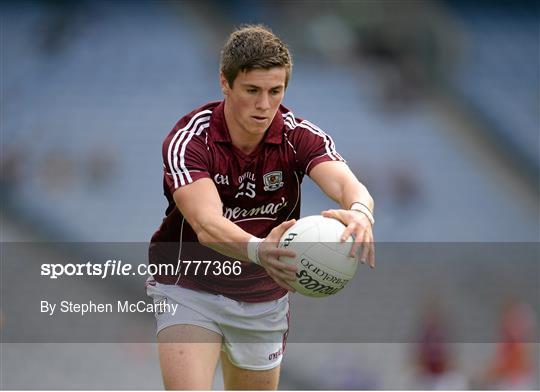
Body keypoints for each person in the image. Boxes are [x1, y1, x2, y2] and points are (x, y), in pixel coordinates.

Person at [146, 24, 375, 390]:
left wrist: (362, 212)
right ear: (225, 82)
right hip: (189, 286)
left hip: (263, 298)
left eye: (275, 91)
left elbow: (349, 184)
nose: (264, 105)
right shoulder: (190, 140)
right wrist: (259, 249)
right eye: (252, 90)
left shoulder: (298, 136)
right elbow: (206, 225)